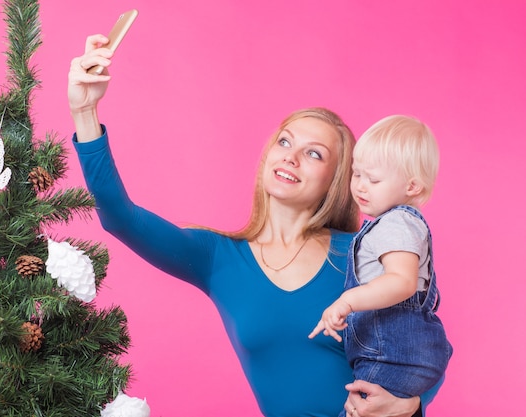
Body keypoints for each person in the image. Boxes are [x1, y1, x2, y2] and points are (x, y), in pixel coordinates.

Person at [68, 34, 440, 417]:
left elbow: (424, 338)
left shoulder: (360, 253)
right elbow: (118, 216)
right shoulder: (217, 258)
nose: (291, 157)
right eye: (284, 142)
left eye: (313, 153)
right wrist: (84, 112)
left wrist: (412, 403)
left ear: (337, 179)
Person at [309, 115, 453, 416]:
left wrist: (347, 302)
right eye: (356, 174)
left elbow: (401, 281)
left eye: (373, 179)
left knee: (360, 410)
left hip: (392, 356)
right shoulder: (390, 225)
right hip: (398, 354)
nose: (360, 186)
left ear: (412, 186)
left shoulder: (396, 223)